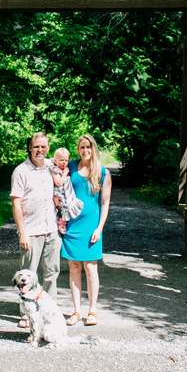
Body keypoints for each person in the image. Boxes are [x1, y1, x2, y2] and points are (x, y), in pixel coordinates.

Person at [10, 132, 61, 329]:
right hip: (31, 230)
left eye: (43, 146)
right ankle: (26, 313)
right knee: (27, 275)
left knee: (51, 272)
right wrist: (22, 231)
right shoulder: (21, 171)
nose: (40, 150)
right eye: (36, 146)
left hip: (52, 229)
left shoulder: (52, 167)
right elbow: (16, 203)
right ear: (30, 148)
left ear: (48, 147)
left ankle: (51, 313)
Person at [61, 134, 112, 326]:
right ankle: (76, 311)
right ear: (78, 149)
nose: (85, 151)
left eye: (88, 147)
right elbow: (57, 184)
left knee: (91, 267)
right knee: (74, 266)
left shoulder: (103, 172)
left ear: (93, 149)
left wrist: (100, 228)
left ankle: (92, 310)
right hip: (72, 223)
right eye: (82, 147)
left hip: (92, 225)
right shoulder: (71, 166)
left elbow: (105, 203)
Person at [49, 147, 83, 236]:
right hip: (60, 193)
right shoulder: (55, 171)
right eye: (61, 160)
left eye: (66, 160)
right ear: (55, 161)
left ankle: (65, 221)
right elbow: (59, 182)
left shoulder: (64, 169)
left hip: (67, 192)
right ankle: (62, 222)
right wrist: (64, 174)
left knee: (70, 204)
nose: (64, 162)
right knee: (64, 207)